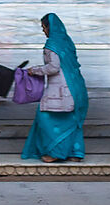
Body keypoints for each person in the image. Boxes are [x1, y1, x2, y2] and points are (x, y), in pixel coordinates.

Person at [20, 12, 88, 162]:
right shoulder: (67, 41)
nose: (43, 31)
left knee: (46, 119)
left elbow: (53, 67)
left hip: (61, 89)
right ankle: (75, 153)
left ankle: (54, 153)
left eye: (43, 27)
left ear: (49, 27)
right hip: (76, 87)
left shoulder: (51, 45)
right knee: (72, 119)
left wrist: (34, 70)